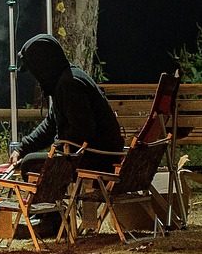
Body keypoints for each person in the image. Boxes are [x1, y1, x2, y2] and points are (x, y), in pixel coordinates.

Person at [8, 33, 122, 174]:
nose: (36, 78)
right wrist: (22, 148)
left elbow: (82, 130)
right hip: (91, 153)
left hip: (99, 157)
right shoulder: (64, 80)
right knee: (30, 158)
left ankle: (50, 195)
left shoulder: (70, 85)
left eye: (35, 71)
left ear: (43, 65)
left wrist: (56, 149)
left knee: (29, 165)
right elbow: (50, 125)